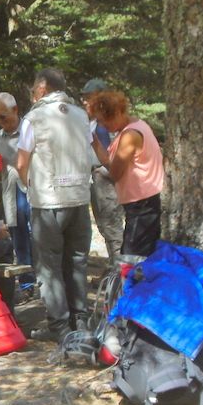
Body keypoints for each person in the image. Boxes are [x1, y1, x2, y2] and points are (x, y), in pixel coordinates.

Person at [17, 68, 93, 342]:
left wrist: (29, 188)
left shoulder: (34, 118)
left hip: (48, 201)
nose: (33, 94)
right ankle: (81, 322)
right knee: (77, 263)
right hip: (80, 200)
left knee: (49, 267)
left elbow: (22, 162)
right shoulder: (81, 116)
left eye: (34, 89)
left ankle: (59, 328)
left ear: (42, 88)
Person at [87, 90, 164, 257]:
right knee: (133, 256)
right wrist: (93, 141)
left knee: (132, 259)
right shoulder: (133, 128)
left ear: (116, 113)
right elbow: (110, 162)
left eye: (104, 120)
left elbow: (115, 173)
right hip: (140, 205)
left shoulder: (130, 136)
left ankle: (131, 283)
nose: (102, 126)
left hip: (142, 206)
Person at [0, 92, 33, 275]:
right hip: (10, 195)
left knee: (39, 237)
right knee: (19, 239)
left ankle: (45, 280)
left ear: (15, 110)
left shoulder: (31, 131)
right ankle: (26, 283)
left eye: (2, 116)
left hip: (34, 192)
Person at [80, 78, 124, 267]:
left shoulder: (104, 125)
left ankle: (121, 272)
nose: (84, 102)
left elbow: (108, 157)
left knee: (112, 228)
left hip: (104, 178)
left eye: (88, 97)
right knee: (106, 228)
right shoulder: (95, 122)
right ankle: (116, 268)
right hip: (97, 177)